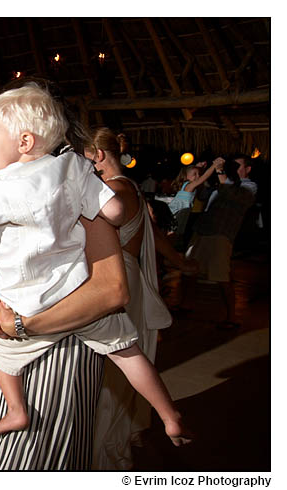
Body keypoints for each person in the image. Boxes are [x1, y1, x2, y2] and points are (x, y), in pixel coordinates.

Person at [0, 85, 190, 443]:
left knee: (1, 352)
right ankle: (168, 413)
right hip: (79, 292)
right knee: (127, 349)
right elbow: (113, 211)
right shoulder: (74, 167)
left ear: (25, 141)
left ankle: (17, 410)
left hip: (24, 302)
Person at [84, 128, 195, 469]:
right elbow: (155, 235)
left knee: (110, 367)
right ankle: (121, 430)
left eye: (85, 158)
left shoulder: (113, 191)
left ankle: (103, 450)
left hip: (115, 277)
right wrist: (181, 262)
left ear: (99, 155)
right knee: (120, 364)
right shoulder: (130, 188)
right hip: (128, 273)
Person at [182, 156, 257, 330]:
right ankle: (186, 304)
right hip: (202, 230)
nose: (233, 168)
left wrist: (220, 172)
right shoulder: (223, 182)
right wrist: (201, 174)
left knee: (221, 276)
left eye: (238, 166)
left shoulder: (248, 186)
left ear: (248, 169)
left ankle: (232, 316)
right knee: (189, 269)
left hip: (221, 234)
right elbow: (202, 195)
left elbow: (231, 194)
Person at [167, 159, 223, 237]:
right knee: (174, 233)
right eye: (195, 174)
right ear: (186, 176)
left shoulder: (189, 185)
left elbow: (200, 176)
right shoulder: (188, 185)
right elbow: (204, 177)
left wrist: (201, 168)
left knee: (176, 233)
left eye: (198, 174)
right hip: (178, 211)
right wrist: (214, 165)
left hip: (182, 211)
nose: (198, 176)